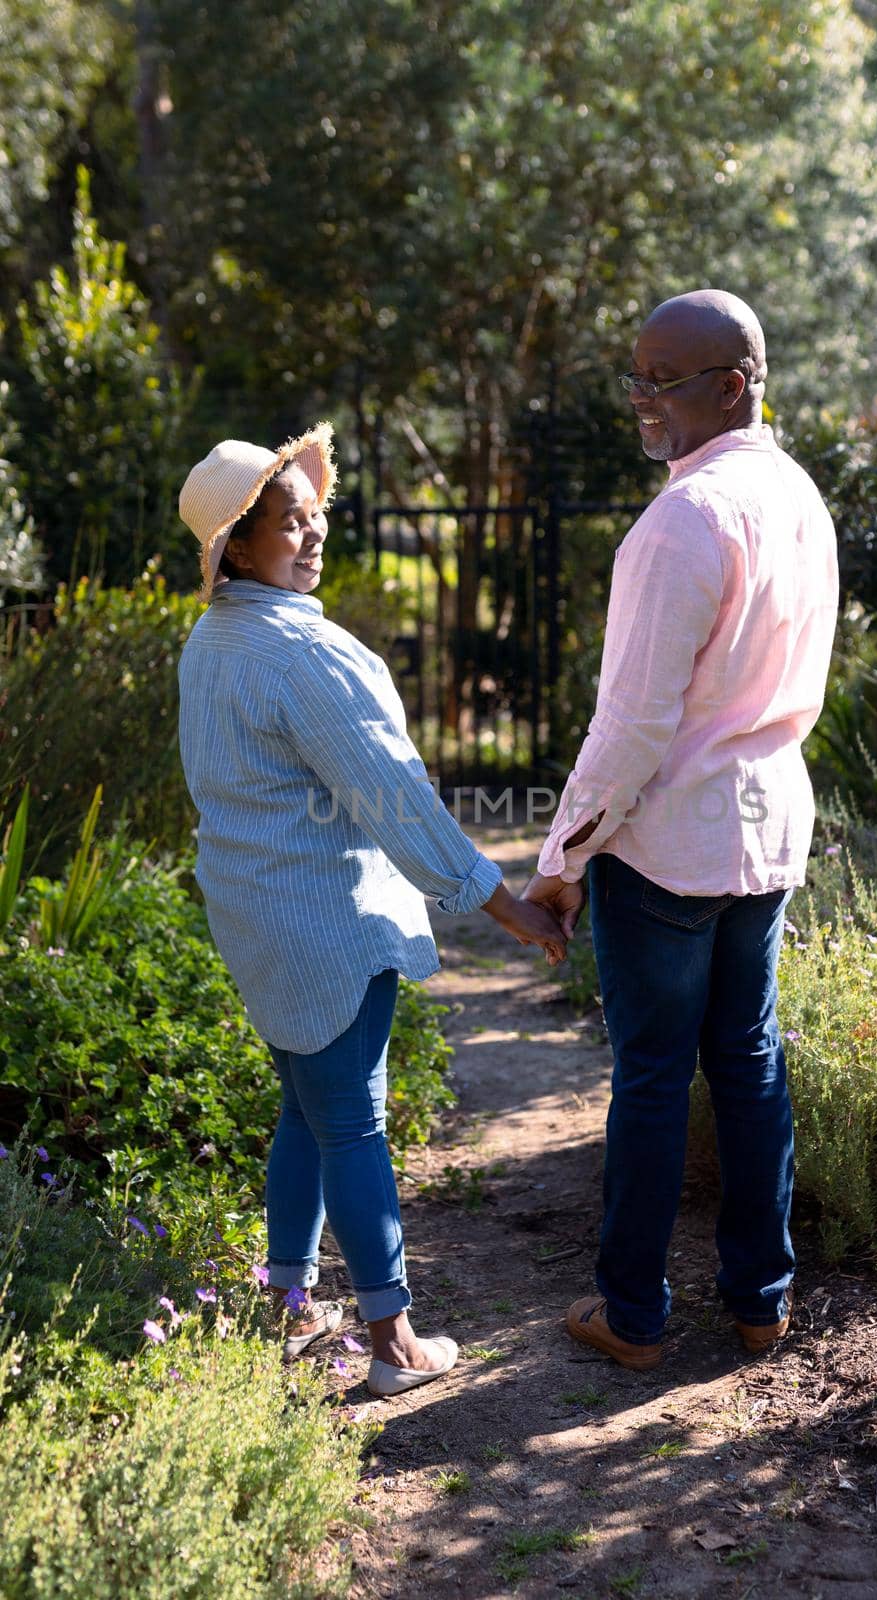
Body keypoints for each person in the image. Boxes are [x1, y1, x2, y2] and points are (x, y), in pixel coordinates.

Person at [177, 424, 565, 1397]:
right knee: (351, 1123)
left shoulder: (214, 637)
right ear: (236, 546)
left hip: (260, 916)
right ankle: (391, 1345)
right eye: (286, 524)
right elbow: (393, 795)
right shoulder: (294, 650)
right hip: (324, 923)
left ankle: (289, 1309)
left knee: (306, 1116)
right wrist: (503, 904)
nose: (311, 537)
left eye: (315, 518)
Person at [523, 291, 838, 1369]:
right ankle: (762, 1301)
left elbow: (632, 724)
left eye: (662, 380)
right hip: (765, 833)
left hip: (667, 844)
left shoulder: (681, 522)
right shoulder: (797, 497)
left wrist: (560, 859)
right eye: (636, 378)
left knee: (656, 1076)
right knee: (747, 1059)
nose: (641, 400)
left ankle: (633, 1315)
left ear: (734, 385)